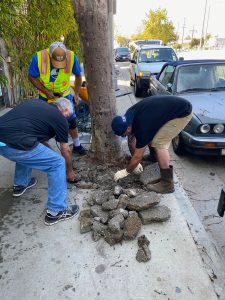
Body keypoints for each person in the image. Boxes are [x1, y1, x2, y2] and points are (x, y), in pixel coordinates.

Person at [0, 98, 79, 225]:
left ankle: (20, 184)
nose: (67, 119)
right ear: (64, 109)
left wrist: (49, 152)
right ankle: (56, 212)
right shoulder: (60, 118)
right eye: (68, 116)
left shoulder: (36, 104)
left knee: (27, 147)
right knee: (57, 163)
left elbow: (36, 139)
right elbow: (66, 150)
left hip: (3, 141)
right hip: (17, 142)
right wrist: (70, 171)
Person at [111, 95, 192, 194]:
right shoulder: (129, 116)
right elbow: (131, 138)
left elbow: (138, 156)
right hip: (170, 108)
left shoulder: (143, 126)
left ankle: (167, 184)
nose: (125, 136)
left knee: (159, 143)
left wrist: (127, 171)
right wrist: (135, 162)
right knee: (151, 137)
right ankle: (154, 157)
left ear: (128, 128)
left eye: (124, 134)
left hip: (182, 113)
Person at [28, 41, 86, 155]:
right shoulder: (38, 58)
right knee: (44, 124)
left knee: (71, 120)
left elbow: (78, 76)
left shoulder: (71, 56)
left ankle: (77, 145)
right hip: (46, 97)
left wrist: (77, 94)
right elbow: (31, 77)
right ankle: (47, 152)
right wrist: (46, 91)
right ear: (50, 55)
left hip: (64, 94)